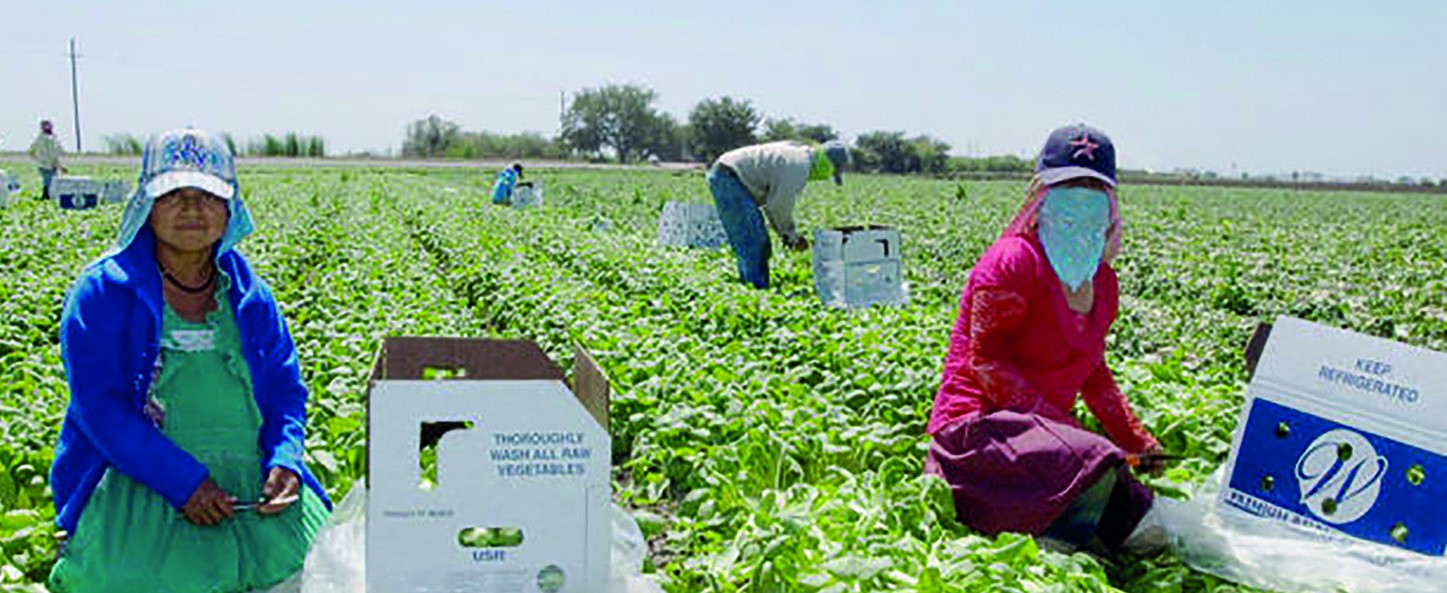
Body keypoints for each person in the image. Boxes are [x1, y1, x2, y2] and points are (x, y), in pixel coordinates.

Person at [48, 128, 332, 592]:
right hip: (139, 482)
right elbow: (100, 410)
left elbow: (285, 390)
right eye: (173, 195)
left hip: (250, 486)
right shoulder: (103, 291)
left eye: (207, 195)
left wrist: (286, 460)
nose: (191, 209)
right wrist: (184, 483)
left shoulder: (249, 294)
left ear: (230, 208)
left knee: (322, 570)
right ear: (147, 205)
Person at [924, 124, 1165, 555]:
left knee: (1132, 509)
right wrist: (1065, 431)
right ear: (1041, 195)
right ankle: (1052, 533)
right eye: (1068, 188)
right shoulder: (1013, 261)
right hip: (978, 438)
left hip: (1047, 447)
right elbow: (988, 364)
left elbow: (1093, 373)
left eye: (1093, 189)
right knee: (1094, 465)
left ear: (1110, 204)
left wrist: (1137, 442)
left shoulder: (1103, 283)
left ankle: (1064, 532)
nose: (1081, 200)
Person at [707, 140, 849, 289]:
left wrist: (785, 235)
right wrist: (791, 235)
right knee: (752, 240)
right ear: (827, 163)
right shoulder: (798, 167)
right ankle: (754, 291)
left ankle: (754, 286)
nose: (828, 176)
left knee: (758, 241)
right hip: (729, 177)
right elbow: (779, 206)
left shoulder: (800, 156)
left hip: (729, 173)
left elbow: (772, 203)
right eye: (832, 172)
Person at [28, 119, 65, 201]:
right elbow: (31, 150)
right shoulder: (41, 138)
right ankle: (46, 195)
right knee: (48, 180)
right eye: (45, 125)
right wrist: (38, 160)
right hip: (44, 164)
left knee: (53, 180)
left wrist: (60, 165)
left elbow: (58, 152)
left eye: (48, 125)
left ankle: (51, 196)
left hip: (53, 164)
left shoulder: (54, 138)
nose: (47, 127)